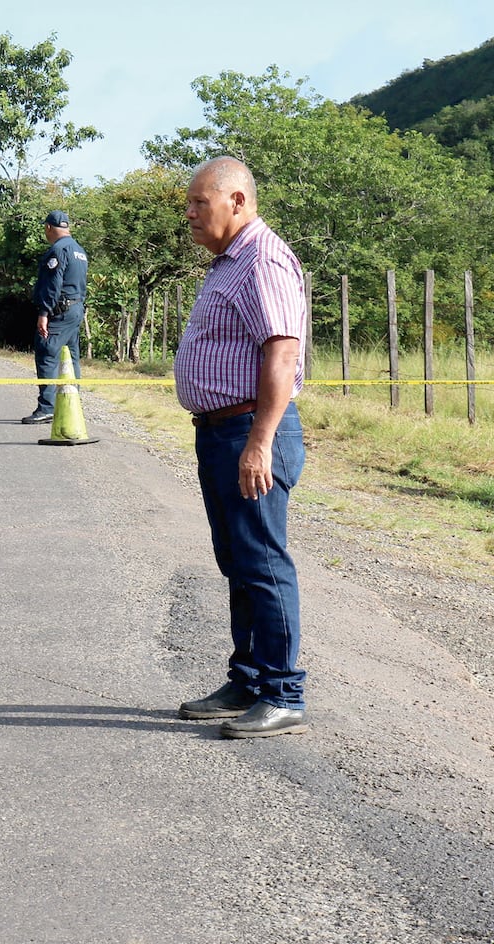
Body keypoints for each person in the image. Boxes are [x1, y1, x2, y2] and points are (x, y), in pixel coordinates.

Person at [173, 156, 309, 739]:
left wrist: (260, 442)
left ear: (236, 200)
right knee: (237, 561)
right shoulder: (229, 261)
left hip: (251, 430)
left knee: (263, 561)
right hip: (220, 430)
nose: (190, 214)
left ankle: (282, 692)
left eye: (200, 203)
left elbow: (282, 352)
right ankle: (248, 679)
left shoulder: (261, 258)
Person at [22, 210, 88, 424]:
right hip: (76, 308)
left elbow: (53, 285)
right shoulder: (79, 250)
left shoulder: (57, 251)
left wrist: (44, 313)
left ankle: (48, 407)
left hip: (59, 310)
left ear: (48, 227)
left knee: (47, 352)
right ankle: (71, 402)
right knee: (70, 358)